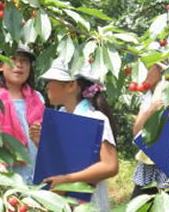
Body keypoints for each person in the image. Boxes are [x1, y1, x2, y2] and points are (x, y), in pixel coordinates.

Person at [39, 60, 119, 212]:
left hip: (89, 204)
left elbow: (110, 166)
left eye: (51, 81)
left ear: (71, 85)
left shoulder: (95, 118)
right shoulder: (60, 116)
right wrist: (40, 142)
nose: (47, 85)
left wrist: (67, 180)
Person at [0, 45, 45, 184]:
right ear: (0, 66)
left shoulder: (38, 99)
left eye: (24, 60)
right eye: (13, 59)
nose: (19, 64)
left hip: (33, 171)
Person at [131, 64, 168, 198]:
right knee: (141, 200)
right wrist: (152, 109)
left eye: (148, 67)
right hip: (149, 160)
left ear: (160, 69)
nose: (143, 72)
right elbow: (136, 131)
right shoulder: (148, 96)